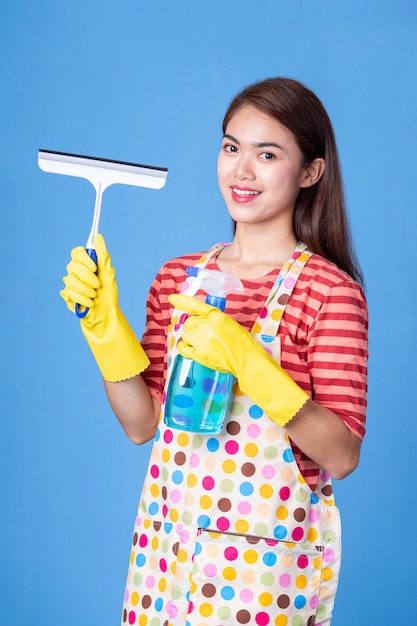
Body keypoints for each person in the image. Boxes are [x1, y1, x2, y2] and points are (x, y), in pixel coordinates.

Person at [61, 77, 368, 626]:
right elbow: (142, 423)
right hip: (165, 556)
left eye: (267, 154)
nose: (241, 171)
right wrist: (105, 331)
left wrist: (252, 364)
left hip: (261, 570)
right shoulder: (179, 278)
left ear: (310, 171)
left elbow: (342, 456)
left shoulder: (329, 292)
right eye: (231, 148)